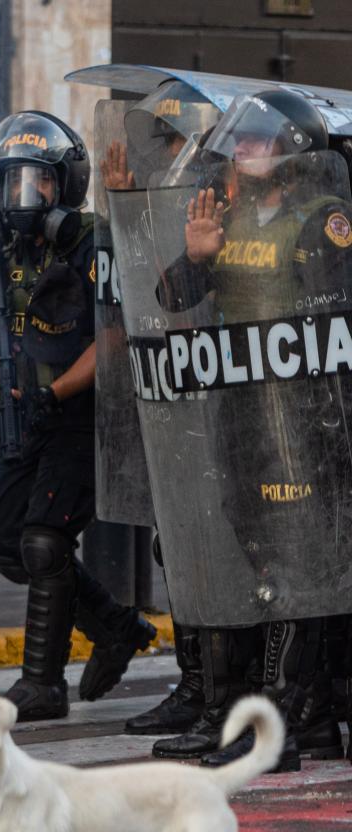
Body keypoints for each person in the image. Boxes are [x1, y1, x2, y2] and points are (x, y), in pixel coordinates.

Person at [145, 90, 352, 769]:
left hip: (299, 423)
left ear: (292, 152)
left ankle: (287, 720)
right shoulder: (225, 218)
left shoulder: (323, 220)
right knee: (255, 562)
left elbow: (333, 329)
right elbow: (171, 300)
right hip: (237, 419)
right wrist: (196, 256)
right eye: (242, 142)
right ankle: (287, 717)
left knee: (299, 567)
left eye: (259, 143)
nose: (244, 152)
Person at [0, 110, 156, 723]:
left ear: (64, 184)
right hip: (24, 415)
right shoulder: (0, 247)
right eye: (13, 182)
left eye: (36, 182)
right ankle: (116, 628)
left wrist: (56, 391)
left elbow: (114, 336)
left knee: (45, 540)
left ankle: (42, 685)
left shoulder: (93, 241)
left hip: (81, 416)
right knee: (9, 545)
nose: (24, 196)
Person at [95, 80, 222, 740]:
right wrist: (121, 206)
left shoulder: (216, 182)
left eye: (162, 133)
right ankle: (197, 683)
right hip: (173, 380)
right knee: (178, 543)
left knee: (211, 544)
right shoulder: (157, 183)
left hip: (219, 388)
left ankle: (221, 689)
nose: (149, 145)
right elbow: (146, 280)